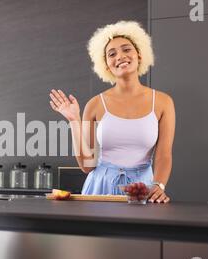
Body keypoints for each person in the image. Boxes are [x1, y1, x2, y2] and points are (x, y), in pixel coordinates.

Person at [49, 21, 175, 203]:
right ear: (106, 65)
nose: (120, 56)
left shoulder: (163, 102)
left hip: (143, 189)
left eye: (126, 49)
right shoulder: (95, 105)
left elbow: (164, 155)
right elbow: (87, 166)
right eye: (112, 54)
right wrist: (73, 120)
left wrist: (159, 185)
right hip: (99, 189)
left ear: (139, 55)